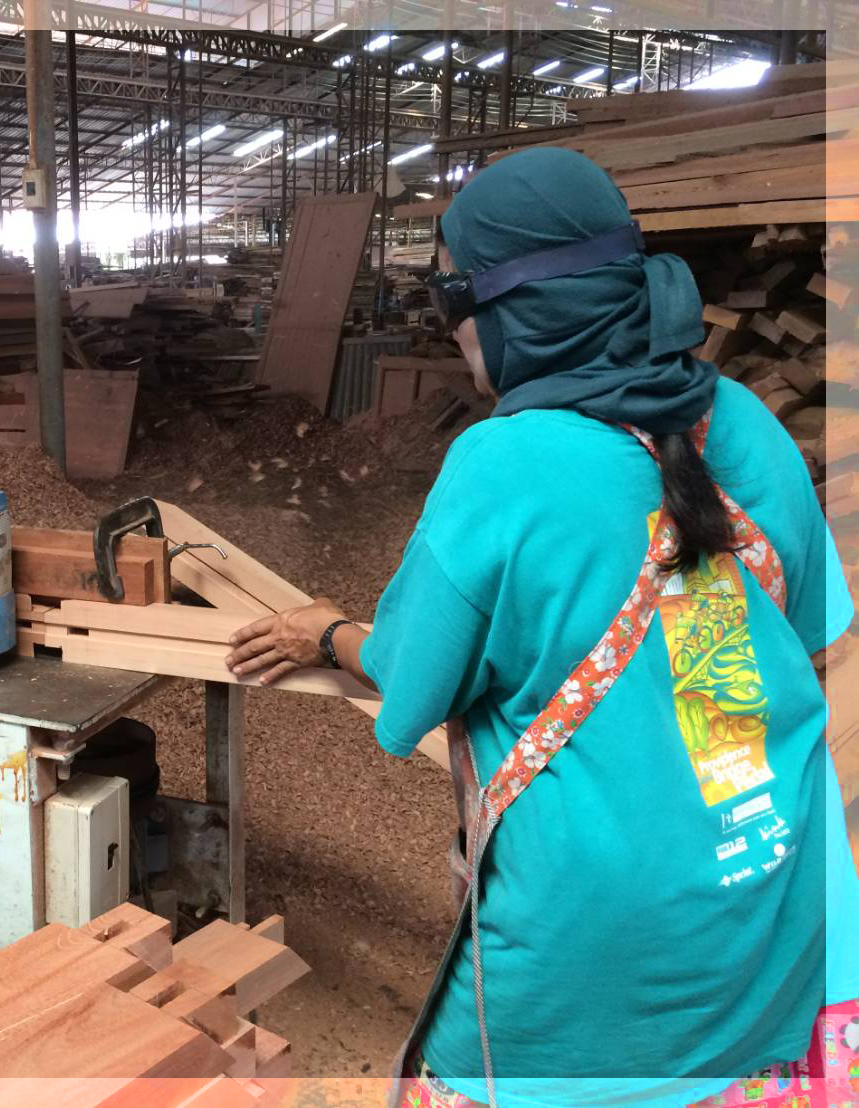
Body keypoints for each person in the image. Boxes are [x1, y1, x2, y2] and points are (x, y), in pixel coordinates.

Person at [225, 147, 859, 1107]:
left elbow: (409, 686)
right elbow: (801, 645)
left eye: (451, 298)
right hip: (785, 916)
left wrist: (325, 630)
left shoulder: (503, 463)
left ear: (509, 309)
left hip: (597, 976)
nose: (451, 331)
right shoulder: (742, 417)